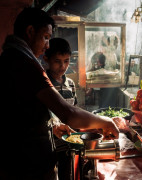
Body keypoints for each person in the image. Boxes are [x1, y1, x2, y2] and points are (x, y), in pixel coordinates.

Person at [0, 7, 119, 180]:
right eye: (46, 37)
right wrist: (106, 121)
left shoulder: (11, 58)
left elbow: (23, 111)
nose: (47, 45)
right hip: (26, 165)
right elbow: (69, 113)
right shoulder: (24, 64)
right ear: (30, 31)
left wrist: (52, 124)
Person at [43, 37, 78, 180]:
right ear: (47, 59)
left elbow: (74, 111)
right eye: (57, 61)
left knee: (67, 175)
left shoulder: (70, 84)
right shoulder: (44, 83)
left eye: (66, 61)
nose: (63, 66)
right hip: (49, 145)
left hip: (68, 144)